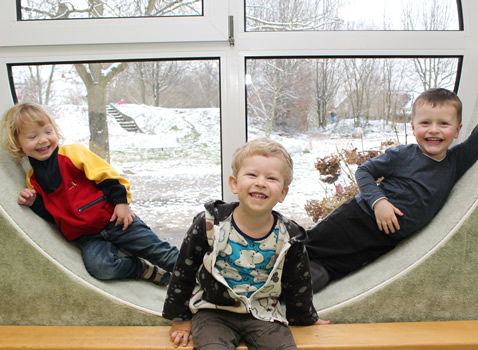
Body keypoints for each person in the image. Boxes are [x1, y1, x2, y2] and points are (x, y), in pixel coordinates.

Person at [305, 88, 478, 292]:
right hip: (357, 219)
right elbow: (364, 171)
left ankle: (284, 292)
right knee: (307, 249)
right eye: (425, 123)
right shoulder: (402, 155)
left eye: (444, 123)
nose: (434, 129)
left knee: (332, 270)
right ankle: (264, 266)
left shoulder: (456, 161)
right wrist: (379, 203)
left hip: (384, 240)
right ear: (413, 127)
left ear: (457, 131)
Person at [163, 138, 329, 349]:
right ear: (234, 183)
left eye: (271, 178)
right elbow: (184, 270)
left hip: (264, 314)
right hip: (213, 312)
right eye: (252, 175)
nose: (260, 182)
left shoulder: (289, 237)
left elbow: (298, 282)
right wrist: (180, 317)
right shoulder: (210, 224)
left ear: (283, 193)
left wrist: (306, 318)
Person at [1, 102, 178, 286]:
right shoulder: (33, 180)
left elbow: (108, 177)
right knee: (101, 268)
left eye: (48, 131)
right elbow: (52, 214)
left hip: (115, 219)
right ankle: (142, 269)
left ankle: (204, 278)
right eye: (32, 136)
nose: (43, 140)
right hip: (88, 238)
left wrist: (121, 203)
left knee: (163, 253)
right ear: (17, 143)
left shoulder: (73, 154)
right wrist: (33, 202)